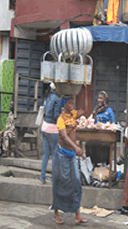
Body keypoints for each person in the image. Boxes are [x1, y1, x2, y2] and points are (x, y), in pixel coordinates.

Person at [51, 96, 87, 225]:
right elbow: (64, 137)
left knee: (76, 182)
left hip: (71, 155)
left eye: (73, 102)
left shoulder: (73, 115)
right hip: (62, 154)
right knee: (60, 182)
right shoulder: (60, 119)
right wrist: (76, 147)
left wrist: (86, 91)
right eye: (69, 103)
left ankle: (77, 215)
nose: (72, 104)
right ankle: (56, 213)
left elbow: (84, 109)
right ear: (64, 105)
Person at [40, 82, 62, 184]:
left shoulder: (47, 96)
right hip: (52, 129)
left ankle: (42, 178)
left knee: (46, 154)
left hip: (44, 127)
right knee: (55, 155)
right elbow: (56, 115)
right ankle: (54, 179)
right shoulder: (57, 99)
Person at [86, 91, 115, 166]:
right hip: (95, 133)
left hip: (105, 134)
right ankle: (93, 164)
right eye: (98, 98)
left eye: (101, 98)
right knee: (89, 144)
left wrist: (106, 126)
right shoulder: (96, 109)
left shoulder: (109, 110)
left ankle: (104, 164)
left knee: (105, 146)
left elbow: (112, 123)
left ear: (105, 99)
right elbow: (91, 120)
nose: (99, 100)